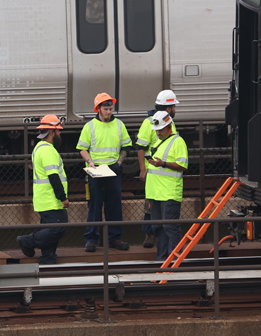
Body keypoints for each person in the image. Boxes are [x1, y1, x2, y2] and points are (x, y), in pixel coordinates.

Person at [77, 92, 132, 252]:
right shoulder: (90, 126)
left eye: (110, 108)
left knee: (114, 206)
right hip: (96, 172)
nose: (109, 112)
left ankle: (114, 239)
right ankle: (92, 239)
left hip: (113, 170)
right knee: (94, 206)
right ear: (98, 109)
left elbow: (126, 146)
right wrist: (90, 162)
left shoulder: (119, 125)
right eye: (106, 109)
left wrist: (119, 163)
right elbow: (82, 149)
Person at [17, 115, 70, 264]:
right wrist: (62, 197)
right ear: (52, 132)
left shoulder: (38, 148)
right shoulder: (48, 151)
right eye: (59, 132)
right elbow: (54, 177)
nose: (60, 135)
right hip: (51, 198)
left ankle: (48, 258)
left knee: (50, 229)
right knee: (58, 228)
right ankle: (27, 241)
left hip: (43, 198)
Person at [137, 111, 188, 259]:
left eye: (160, 130)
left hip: (169, 193)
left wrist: (163, 163)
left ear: (169, 127)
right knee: (158, 228)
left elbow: (183, 165)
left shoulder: (178, 141)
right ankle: (162, 260)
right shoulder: (159, 141)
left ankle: (175, 261)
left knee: (170, 227)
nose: (158, 133)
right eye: (156, 130)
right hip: (155, 193)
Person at [137, 90, 180, 246]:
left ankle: (158, 242)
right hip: (154, 171)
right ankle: (149, 234)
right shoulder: (149, 122)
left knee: (157, 207)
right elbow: (141, 147)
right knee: (151, 205)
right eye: (174, 106)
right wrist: (143, 169)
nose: (175, 109)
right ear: (168, 108)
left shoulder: (169, 122)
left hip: (166, 173)